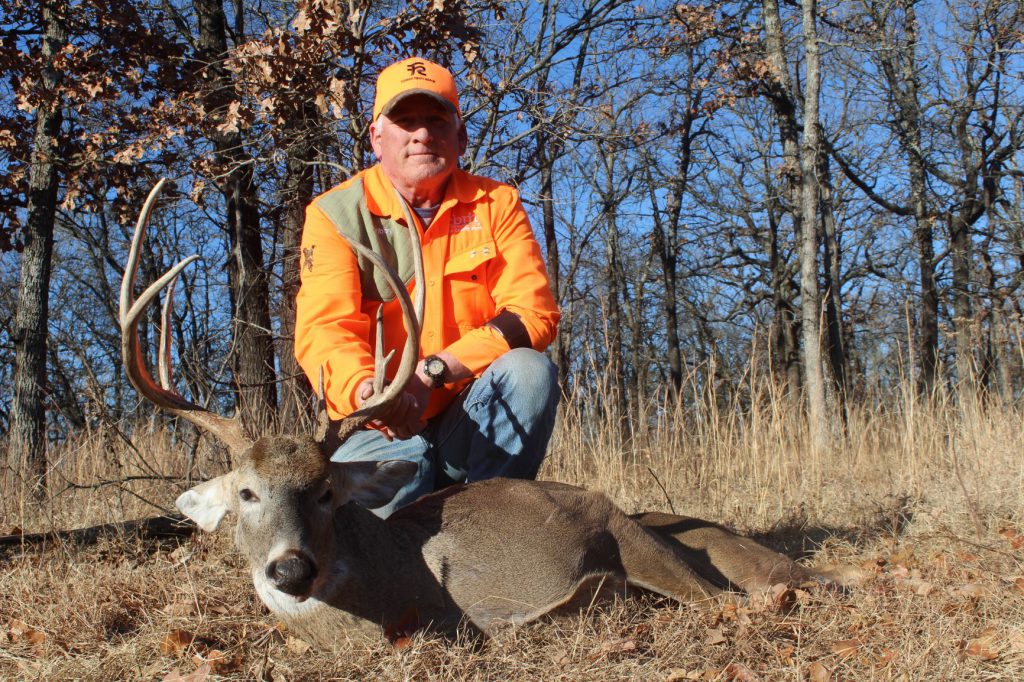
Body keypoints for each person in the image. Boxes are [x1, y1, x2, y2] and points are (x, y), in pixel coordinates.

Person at [294, 57, 561, 518]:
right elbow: (326, 330)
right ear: (377, 137)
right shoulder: (335, 214)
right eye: (405, 121)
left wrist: (433, 372)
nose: (421, 134)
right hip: (380, 428)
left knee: (529, 371)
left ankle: (492, 531)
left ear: (460, 137)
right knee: (403, 473)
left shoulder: (496, 204)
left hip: (471, 420)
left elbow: (532, 315)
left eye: (436, 120)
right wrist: (369, 394)